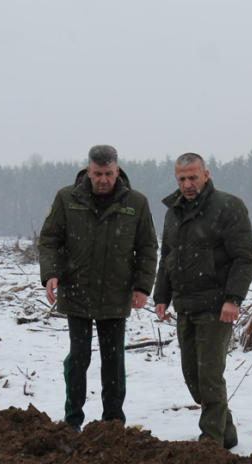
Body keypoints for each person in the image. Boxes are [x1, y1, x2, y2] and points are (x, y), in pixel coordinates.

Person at [39, 145, 158, 432]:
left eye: (108, 174)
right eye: (97, 174)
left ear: (117, 171)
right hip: (77, 291)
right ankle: (72, 420)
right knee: (79, 357)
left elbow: (147, 248)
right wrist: (51, 274)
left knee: (113, 359)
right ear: (88, 171)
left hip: (116, 294)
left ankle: (113, 422)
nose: (103, 180)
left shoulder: (136, 203)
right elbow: (49, 240)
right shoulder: (67, 198)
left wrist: (142, 286)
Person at [154, 153, 252, 449]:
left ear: (206, 174)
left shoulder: (227, 206)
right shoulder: (173, 212)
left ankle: (210, 442)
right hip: (185, 306)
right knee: (194, 378)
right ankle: (227, 431)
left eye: (193, 177)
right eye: (181, 179)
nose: (187, 184)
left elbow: (245, 257)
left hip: (216, 308)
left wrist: (233, 299)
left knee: (209, 374)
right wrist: (161, 296)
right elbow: (168, 257)